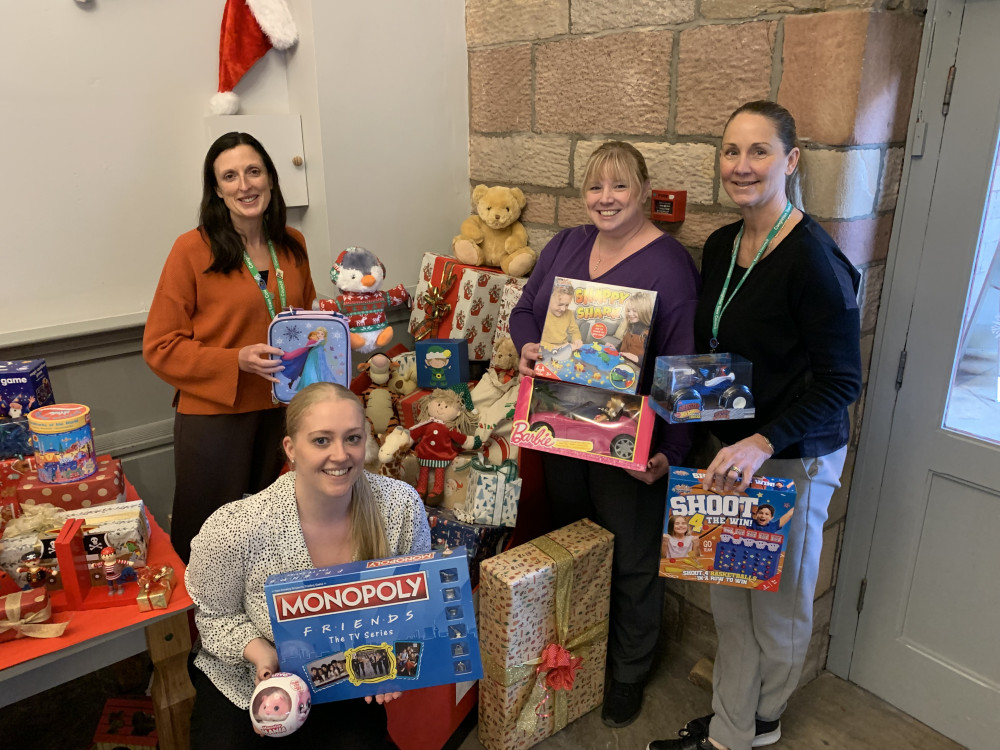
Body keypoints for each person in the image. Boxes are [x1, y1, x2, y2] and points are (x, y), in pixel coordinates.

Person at [647, 101, 862, 750]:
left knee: (776, 610)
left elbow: (842, 384)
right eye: (731, 151)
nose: (741, 166)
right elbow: (718, 359)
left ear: (791, 161)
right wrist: (651, 430)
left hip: (791, 458)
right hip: (729, 454)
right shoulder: (720, 244)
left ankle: (753, 726)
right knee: (730, 602)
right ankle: (736, 725)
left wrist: (764, 441)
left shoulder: (816, 261)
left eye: (759, 151)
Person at [510, 141, 701, 728]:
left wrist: (671, 452)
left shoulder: (670, 265)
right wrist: (528, 348)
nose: (606, 198)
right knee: (575, 548)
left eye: (619, 186)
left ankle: (628, 671)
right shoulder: (566, 244)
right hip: (561, 430)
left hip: (627, 445)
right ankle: (579, 654)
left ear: (644, 191)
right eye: (595, 186)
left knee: (634, 559)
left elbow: (683, 368)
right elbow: (523, 312)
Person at [185, 382, 432, 750]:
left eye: (352, 438)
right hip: (245, 679)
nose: (341, 455)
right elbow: (214, 617)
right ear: (291, 449)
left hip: (348, 673)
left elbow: (415, 607)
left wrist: (394, 659)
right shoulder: (236, 527)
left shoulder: (399, 507)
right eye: (321, 441)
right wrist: (261, 654)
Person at [143, 132, 317, 563]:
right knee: (210, 540)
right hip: (216, 421)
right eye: (231, 176)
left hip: (284, 414)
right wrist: (234, 360)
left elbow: (309, 318)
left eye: (254, 171)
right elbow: (160, 346)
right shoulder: (190, 249)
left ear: (272, 180)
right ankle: (205, 627)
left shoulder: (292, 244)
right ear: (217, 189)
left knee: (276, 537)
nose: (245, 185)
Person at [539, 281, 583, 352]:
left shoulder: (569, 313)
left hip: (563, 349)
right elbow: (536, 341)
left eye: (567, 305)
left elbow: (574, 330)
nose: (563, 309)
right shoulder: (542, 312)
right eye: (560, 304)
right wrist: (557, 348)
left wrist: (577, 339)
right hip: (545, 350)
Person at [615, 291, 654, 365]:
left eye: (635, 311)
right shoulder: (630, 326)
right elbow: (623, 344)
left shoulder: (648, 333)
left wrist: (637, 359)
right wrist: (615, 349)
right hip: (621, 363)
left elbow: (651, 359)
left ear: (645, 311)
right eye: (628, 310)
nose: (630, 314)